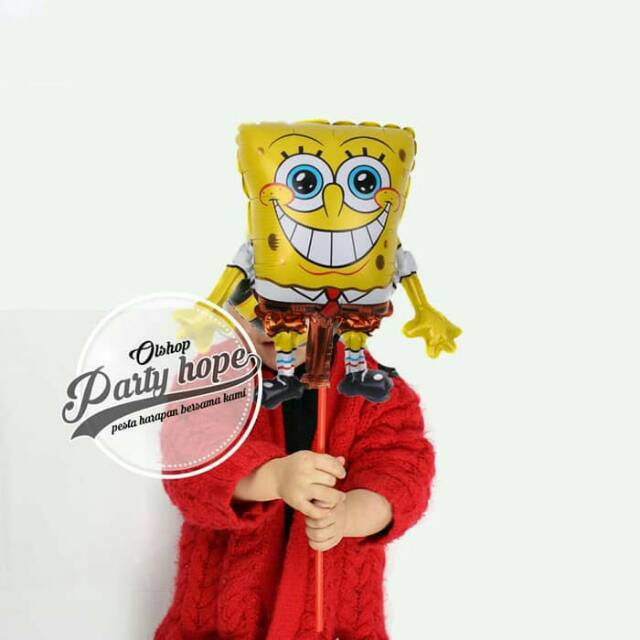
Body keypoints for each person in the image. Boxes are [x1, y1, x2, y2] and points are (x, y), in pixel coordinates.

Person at [155, 289, 436, 640]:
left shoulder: (379, 393)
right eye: (252, 308)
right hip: (222, 621)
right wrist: (272, 478)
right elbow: (190, 461)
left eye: (296, 307)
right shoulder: (210, 378)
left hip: (333, 621)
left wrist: (350, 514)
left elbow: (403, 473)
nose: (271, 326)